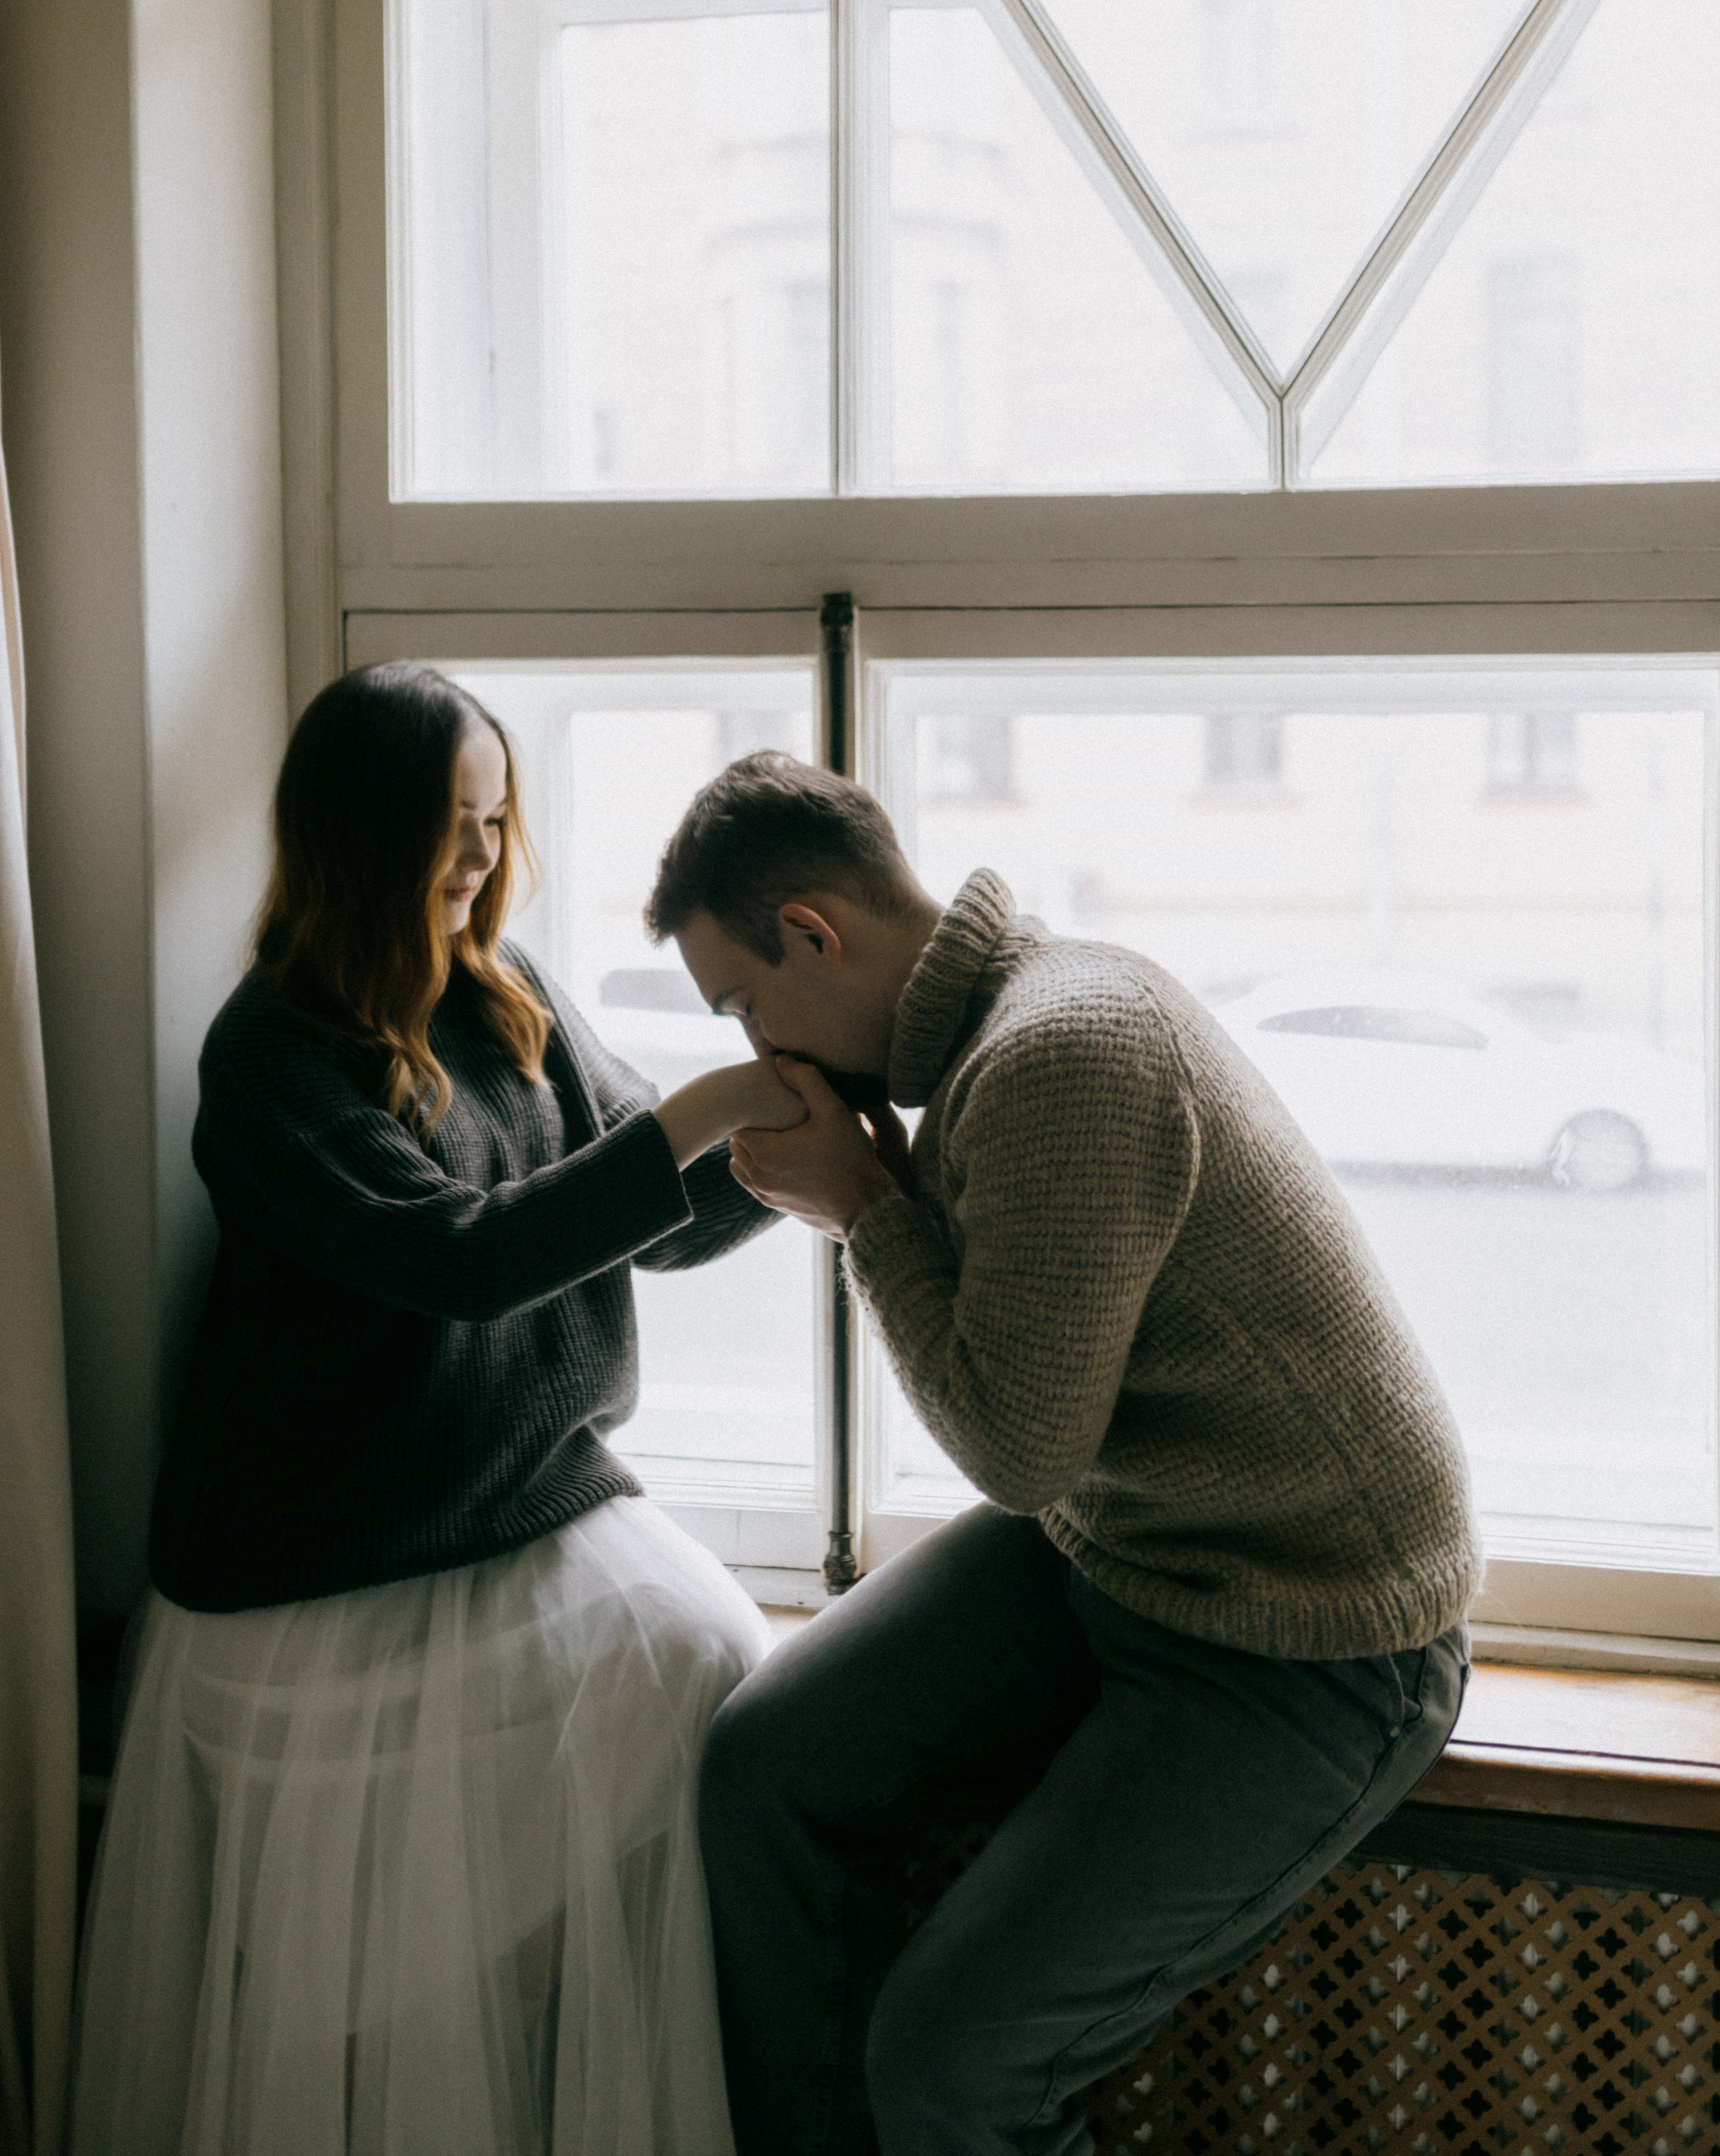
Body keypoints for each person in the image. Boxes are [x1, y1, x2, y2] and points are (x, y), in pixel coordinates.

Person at [644, 750, 1482, 2156]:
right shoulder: (994, 1031)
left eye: (743, 1002)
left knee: (949, 2063)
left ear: (811, 932)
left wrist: (868, 1212)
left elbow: (1016, 1452)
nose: (759, 1051)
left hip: (1304, 1644)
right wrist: (877, 1197)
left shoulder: (1058, 1051)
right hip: (1125, 1545)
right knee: (761, 1772)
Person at [71, 663, 808, 2156]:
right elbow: (459, 1268)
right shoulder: (270, 1057)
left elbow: (648, 1222)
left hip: (505, 1499)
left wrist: (818, 1144)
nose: (480, 858)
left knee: (715, 1678)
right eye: (449, 828)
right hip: (320, 1553)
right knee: (374, 2010)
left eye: (494, 820)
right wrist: (718, 1108)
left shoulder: (510, 989)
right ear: (358, 837)